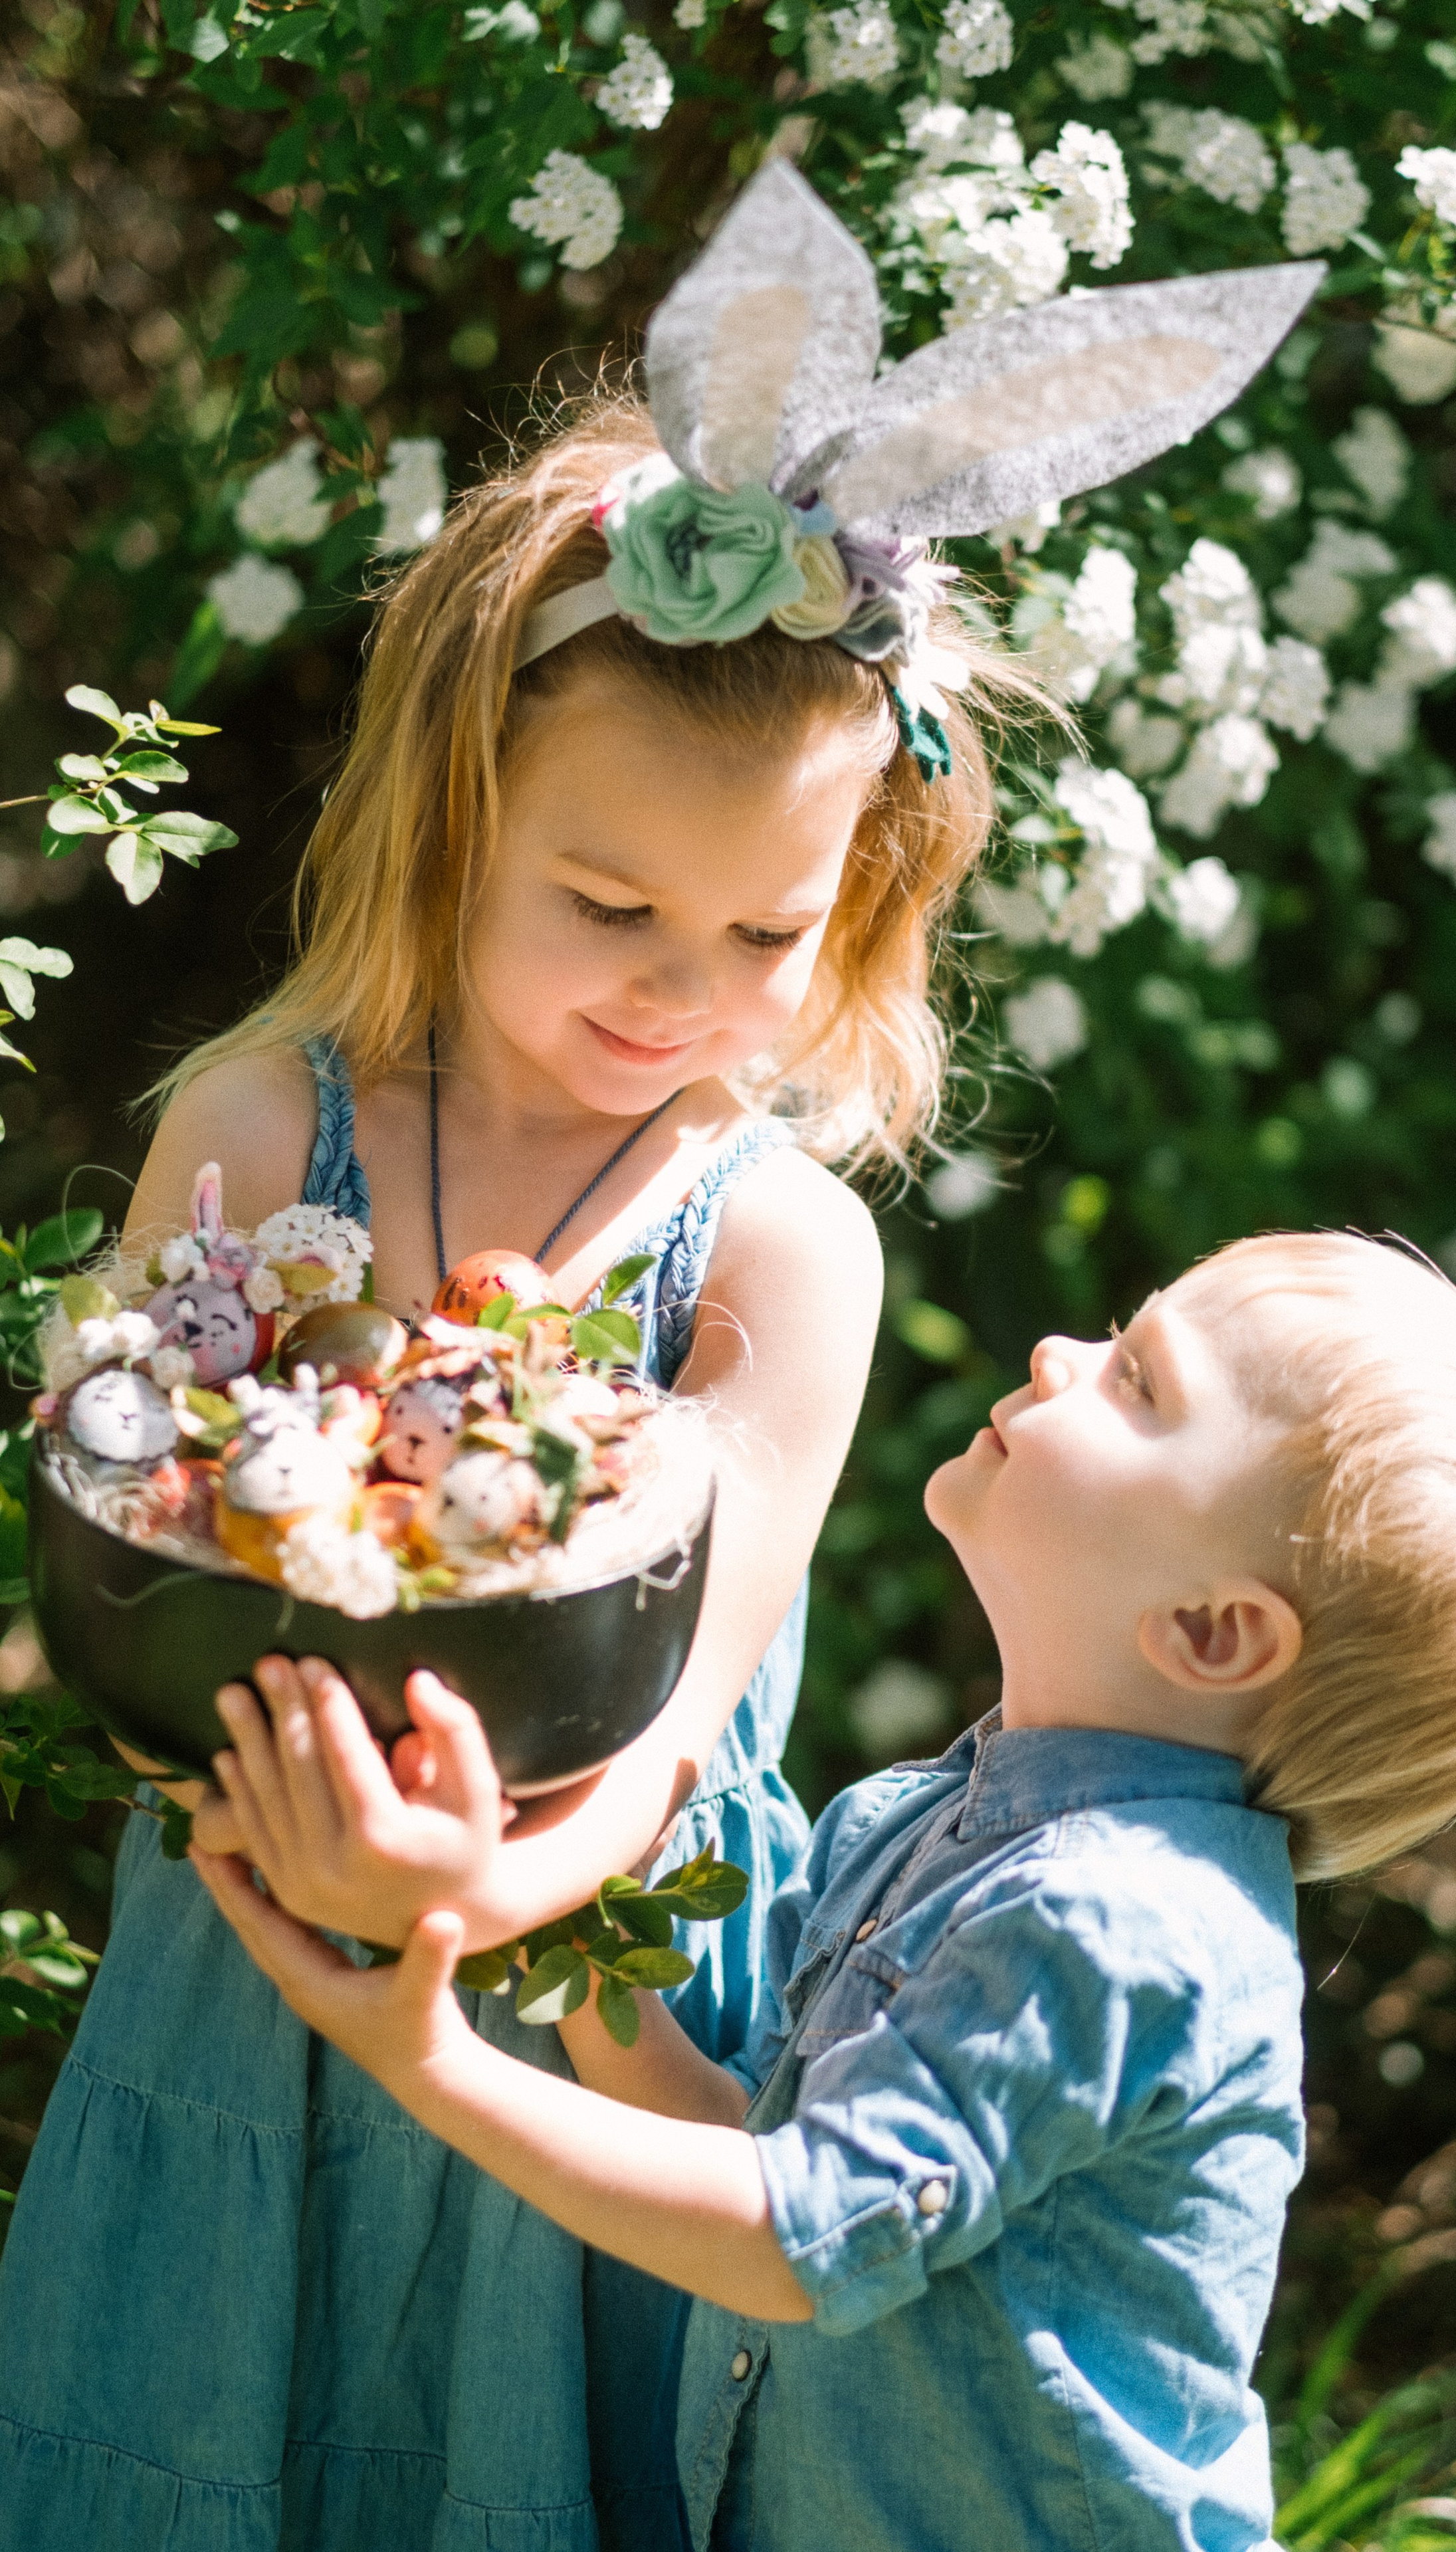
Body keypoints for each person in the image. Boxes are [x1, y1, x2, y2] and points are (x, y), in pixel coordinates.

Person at [0, 387, 1025, 2549]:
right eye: (607, 904)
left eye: (766, 938)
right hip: (251, 1933)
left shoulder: (774, 1241)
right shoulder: (261, 1132)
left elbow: (665, 1725)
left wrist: (468, 1904)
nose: (681, 995)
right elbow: (117, 1551)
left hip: (590, 2001)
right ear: (458, 814)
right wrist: (316, 1859)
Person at [187, 1232, 1456, 2552]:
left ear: (1208, 1629)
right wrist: (538, 1903)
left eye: (1134, 1380)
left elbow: (781, 2242)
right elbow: (737, 2145)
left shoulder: (1116, 1925)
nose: (1061, 1352)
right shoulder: (930, 1818)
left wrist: (422, 2056)